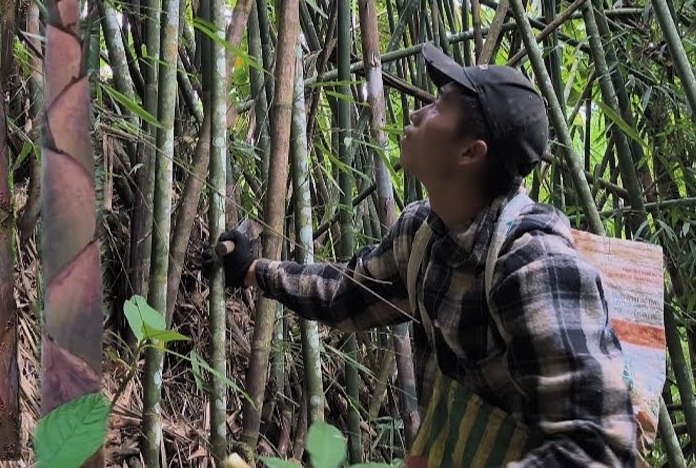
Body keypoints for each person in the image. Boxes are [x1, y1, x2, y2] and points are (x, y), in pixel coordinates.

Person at [203, 44, 637, 467]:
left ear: (471, 152)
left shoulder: (533, 264)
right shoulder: (424, 233)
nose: (415, 113)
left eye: (438, 106)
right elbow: (346, 293)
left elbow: (597, 446)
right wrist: (254, 270)